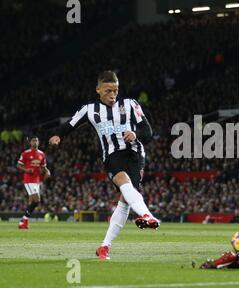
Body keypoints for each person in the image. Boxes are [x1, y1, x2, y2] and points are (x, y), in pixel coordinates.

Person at [49, 71, 160, 260]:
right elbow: (70, 124)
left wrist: (135, 134)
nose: (112, 95)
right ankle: (148, 215)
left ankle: (104, 247)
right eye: (108, 91)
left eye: (115, 91)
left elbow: (148, 132)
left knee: (125, 200)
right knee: (124, 183)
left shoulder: (131, 104)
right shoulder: (89, 109)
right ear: (98, 89)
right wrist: (58, 135)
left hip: (135, 153)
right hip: (111, 155)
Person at [17, 136, 50, 229]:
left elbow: (43, 167)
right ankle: (24, 219)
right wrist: (26, 170)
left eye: (36, 140)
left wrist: (47, 171)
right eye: (33, 140)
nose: (35, 142)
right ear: (30, 142)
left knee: (32, 201)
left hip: (37, 180)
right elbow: (18, 165)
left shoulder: (42, 154)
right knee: (37, 200)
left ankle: (24, 222)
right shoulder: (25, 153)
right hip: (28, 179)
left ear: (38, 142)